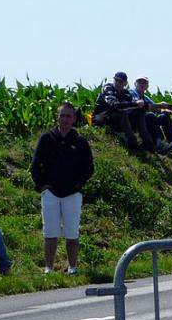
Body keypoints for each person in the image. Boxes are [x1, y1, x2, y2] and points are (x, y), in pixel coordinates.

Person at [30, 102, 95, 275]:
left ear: (74, 119)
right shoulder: (47, 138)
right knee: (50, 232)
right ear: (57, 117)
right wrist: (42, 185)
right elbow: (36, 165)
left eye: (68, 116)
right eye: (62, 115)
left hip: (72, 194)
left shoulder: (80, 141)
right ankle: (49, 269)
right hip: (50, 193)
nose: (65, 119)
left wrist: (77, 185)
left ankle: (72, 267)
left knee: (72, 232)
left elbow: (89, 168)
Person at [93, 71, 158, 152]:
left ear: (125, 83)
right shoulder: (108, 88)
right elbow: (114, 105)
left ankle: (147, 142)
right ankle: (133, 143)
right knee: (122, 111)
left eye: (120, 81)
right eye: (116, 80)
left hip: (117, 119)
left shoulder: (126, 93)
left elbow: (137, 105)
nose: (117, 83)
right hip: (103, 117)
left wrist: (159, 106)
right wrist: (135, 104)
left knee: (139, 111)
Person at [130, 77, 172, 153]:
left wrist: (170, 112)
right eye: (140, 82)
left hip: (146, 122)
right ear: (135, 84)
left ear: (147, 86)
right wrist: (160, 105)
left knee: (164, 117)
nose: (142, 84)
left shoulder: (146, 97)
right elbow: (141, 105)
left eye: (144, 83)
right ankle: (158, 142)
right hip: (135, 121)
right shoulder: (131, 92)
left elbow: (157, 109)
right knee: (150, 115)